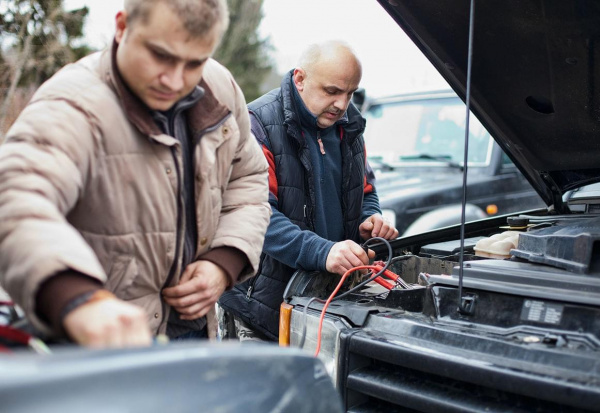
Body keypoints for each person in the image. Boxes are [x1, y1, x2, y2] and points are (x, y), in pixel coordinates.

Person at [0, 0, 271, 348]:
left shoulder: (219, 89)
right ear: (122, 26)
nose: (174, 80)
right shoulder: (72, 104)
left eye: (194, 63)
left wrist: (224, 261)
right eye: (160, 56)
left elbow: (247, 179)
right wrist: (78, 298)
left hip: (192, 334)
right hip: (95, 345)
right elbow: (16, 199)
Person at [218, 41, 399, 341]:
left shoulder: (349, 127)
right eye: (331, 91)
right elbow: (254, 216)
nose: (342, 104)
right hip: (262, 310)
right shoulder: (256, 125)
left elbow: (366, 191)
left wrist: (370, 218)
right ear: (300, 79)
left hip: (331, 304)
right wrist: (323, 251)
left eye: (350, 92)